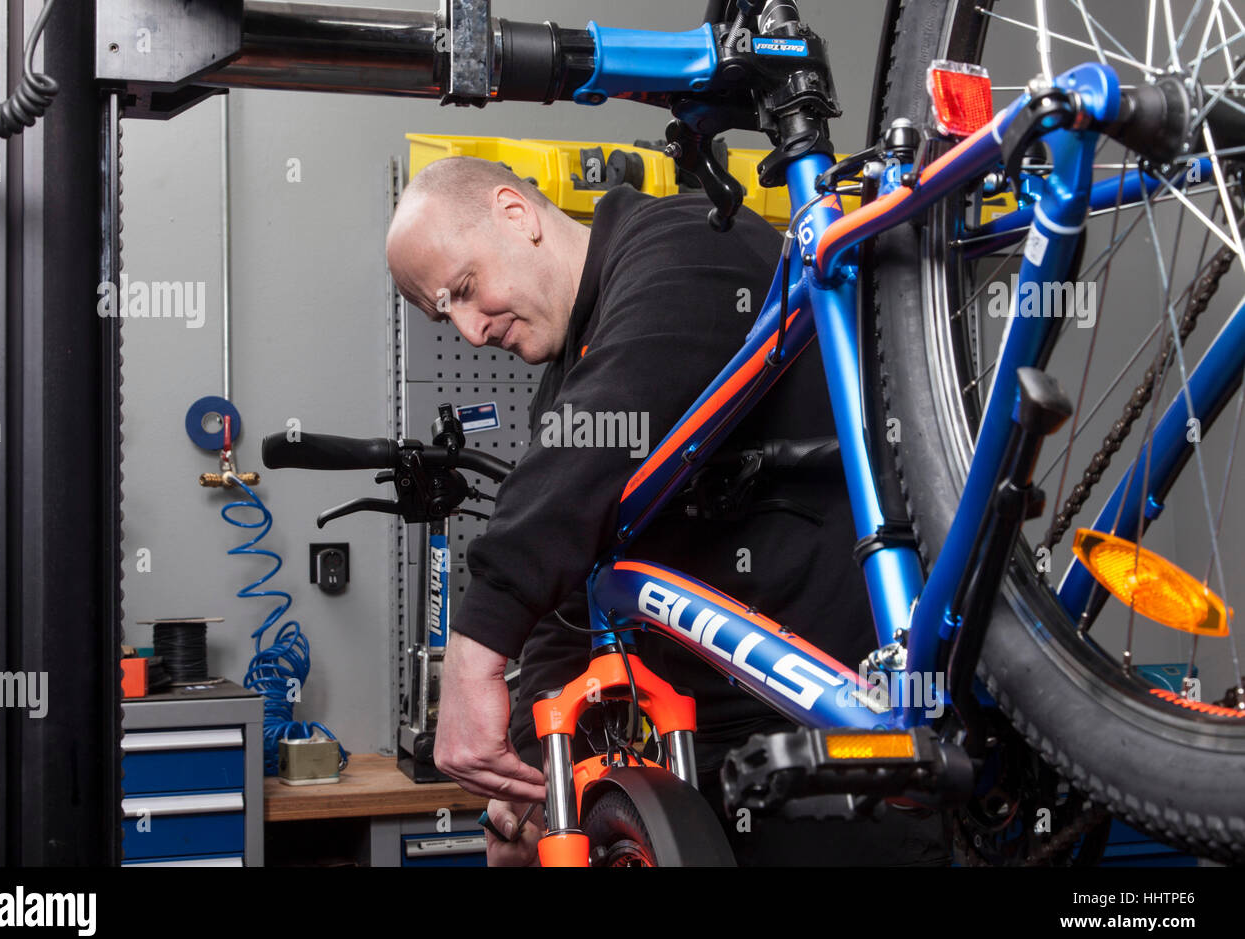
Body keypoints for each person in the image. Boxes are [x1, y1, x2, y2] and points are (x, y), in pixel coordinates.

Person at [385, 155, 950, 865]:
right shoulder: (567, 383)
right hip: (705, 769)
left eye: (466, 289)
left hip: (838, 764)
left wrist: (475, 650)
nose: (470, 331)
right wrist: (533, 786)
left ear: (515, 214)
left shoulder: (687, 242)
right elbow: (573, 607)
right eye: (449, 313)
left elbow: (612, 411)